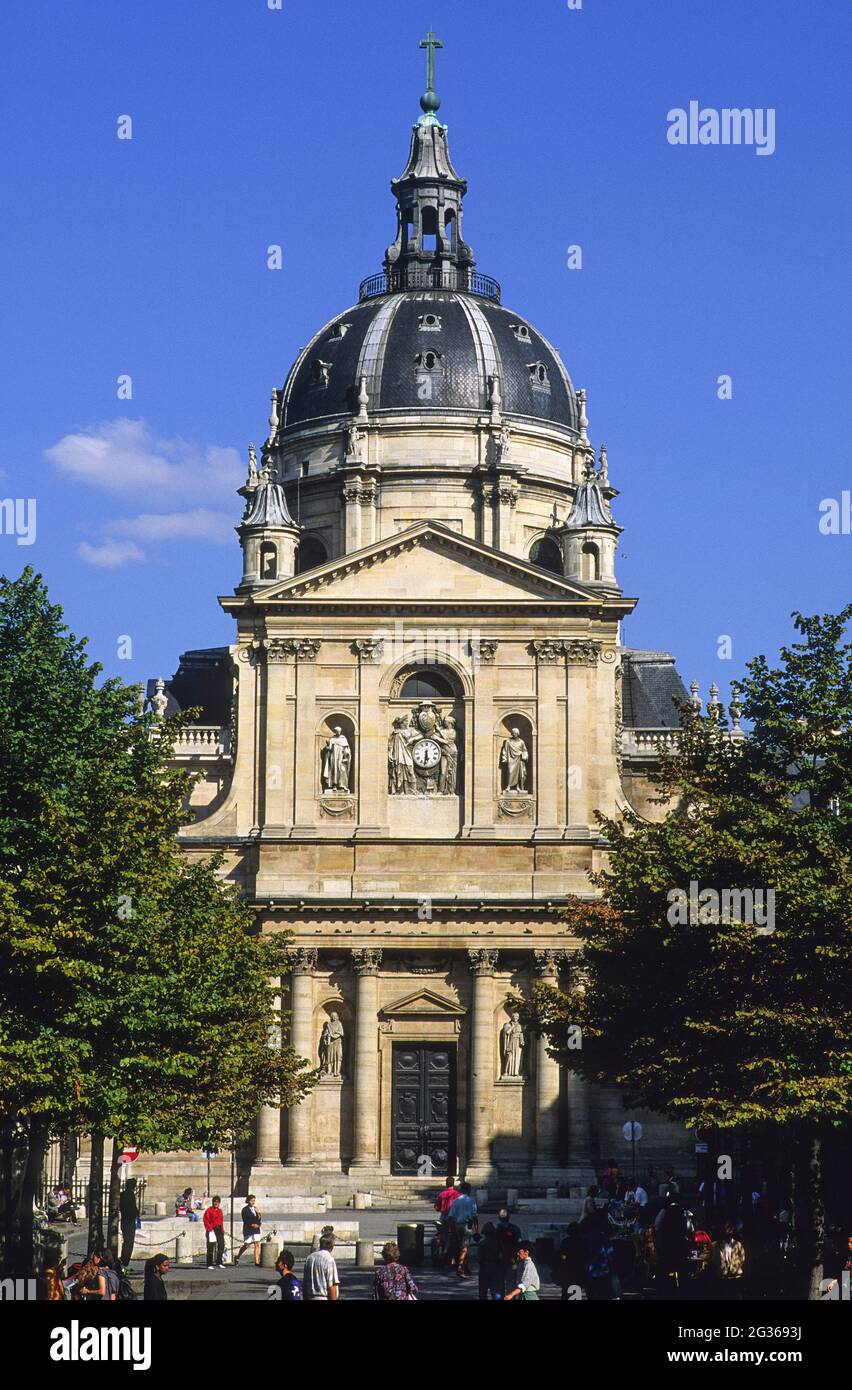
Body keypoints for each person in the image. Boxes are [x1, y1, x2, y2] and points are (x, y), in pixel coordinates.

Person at [448, 1182, 478, 1279]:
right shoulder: (471, 1200)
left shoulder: (456, 1201)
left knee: (462, 1245)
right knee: (465, 1247)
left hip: (457, 1225)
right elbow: (474, 1216)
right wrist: (476, 1229)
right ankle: (460, 1267)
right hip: (467, 1225)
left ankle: (465, 1266)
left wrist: (451, 1228)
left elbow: (451, 1216)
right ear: (469, 1190)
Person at [710, 1223, 746, 1299]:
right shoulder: (716, 1245)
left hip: (735, 1276)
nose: (727, 1231)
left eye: (729, 1229)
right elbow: (713, 1259)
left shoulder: (738, 1244)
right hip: (722, 1277)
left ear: (732, 1230)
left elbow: (742, 1258)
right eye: (724, 1229)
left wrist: (735, 1267)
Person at [303, 1234, 340, 1301]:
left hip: (310, 1296)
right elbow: (332, 1285)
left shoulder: (309, 1258)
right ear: (332, 1246)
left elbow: (305, 1284)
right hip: (323, 1297)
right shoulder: (329, 1259)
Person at [557, 1224, 587, 1300]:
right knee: (576, 1292)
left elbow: (561, 1256)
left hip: (568, 1271)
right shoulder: (582, 1242)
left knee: (566, 1293)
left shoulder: (566, 1241)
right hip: (579, 1271)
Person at [434, 1176, 459, 1264]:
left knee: (444, 1236)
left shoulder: (442, 1194)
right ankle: (450, 1257)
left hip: (444, 1217)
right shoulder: (456, 1194)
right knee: (453, 1237)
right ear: (453, 1183)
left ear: (446, 1184)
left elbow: (437, 1207)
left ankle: (444, 1254)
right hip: (453, 1218)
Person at [477, 1223, 505, 1301]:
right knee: (496, 1292)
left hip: (484, 1268)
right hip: (496, 1268)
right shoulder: (499, 1243)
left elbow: (479, 1259)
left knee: (483, 1292)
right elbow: (502, 1255)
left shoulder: (482, 1243)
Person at [234, 1194, 262, 1266]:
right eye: (251, 1200)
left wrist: (258, 1213)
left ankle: (257, 1261)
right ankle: (237, 1257)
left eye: (254, 1200)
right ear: (248, 1201)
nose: (253, 1202)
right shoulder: (245, 1210)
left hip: (256, 1229)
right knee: (246, 1245)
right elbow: (245, 1220)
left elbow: (259, 1219)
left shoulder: (255, 1208)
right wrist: (252, 1225)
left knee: (257, 1244)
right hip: (249, 1229)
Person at [119, 1177, 139, 1266]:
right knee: (129, 1242)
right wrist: (137, 1212)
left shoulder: (122, 1194)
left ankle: (124, 1261)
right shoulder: (130, 1194)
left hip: (124, 1220)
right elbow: (132, 1208)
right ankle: (125, 1262)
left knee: (126, 1242)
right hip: (129, 1221)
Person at [204, 1194, 225, 1269]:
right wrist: (209, 1229)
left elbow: (221, 1221)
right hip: (211, 1229)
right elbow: (206, 1220)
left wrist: (222, 1230)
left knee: (221, 1245)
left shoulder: (220, 1211)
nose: (216, 1203)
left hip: (218, 1229)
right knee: (210, 1247)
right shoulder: (209, 1210)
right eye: (215, 1202)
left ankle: (219, 1262)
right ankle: (209, 1263)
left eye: (217, 1202)